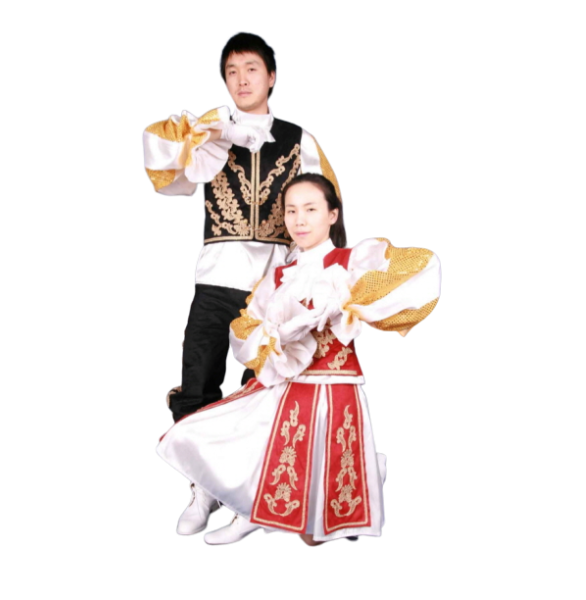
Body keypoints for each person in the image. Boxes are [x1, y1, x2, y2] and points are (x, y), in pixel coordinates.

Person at [156, 173, 442, 547]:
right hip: (285, 383)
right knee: (200, 431)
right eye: (291, 211)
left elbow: (423, 267)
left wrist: (348, 301)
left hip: (333, 388)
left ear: (332, 214)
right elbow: (246, 331)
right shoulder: (279, 276)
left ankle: (364, 473)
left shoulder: (351, 262)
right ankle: (251, 509)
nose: (299, 220)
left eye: (310, 209)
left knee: (313, 538)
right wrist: (273, 336)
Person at [142, 32, 342, 541]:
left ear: (272, 77)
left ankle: (255, 497)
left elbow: (327, 205)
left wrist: (322, 278)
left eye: (251, 69)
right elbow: (171, 185)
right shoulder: (207, 130)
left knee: (270, 389)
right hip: (215, 277)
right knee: (197, 380)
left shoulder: (299, 139)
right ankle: (202, 489)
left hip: (272, 285)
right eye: (231, 72)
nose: (241, 79)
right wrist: (182, 138)